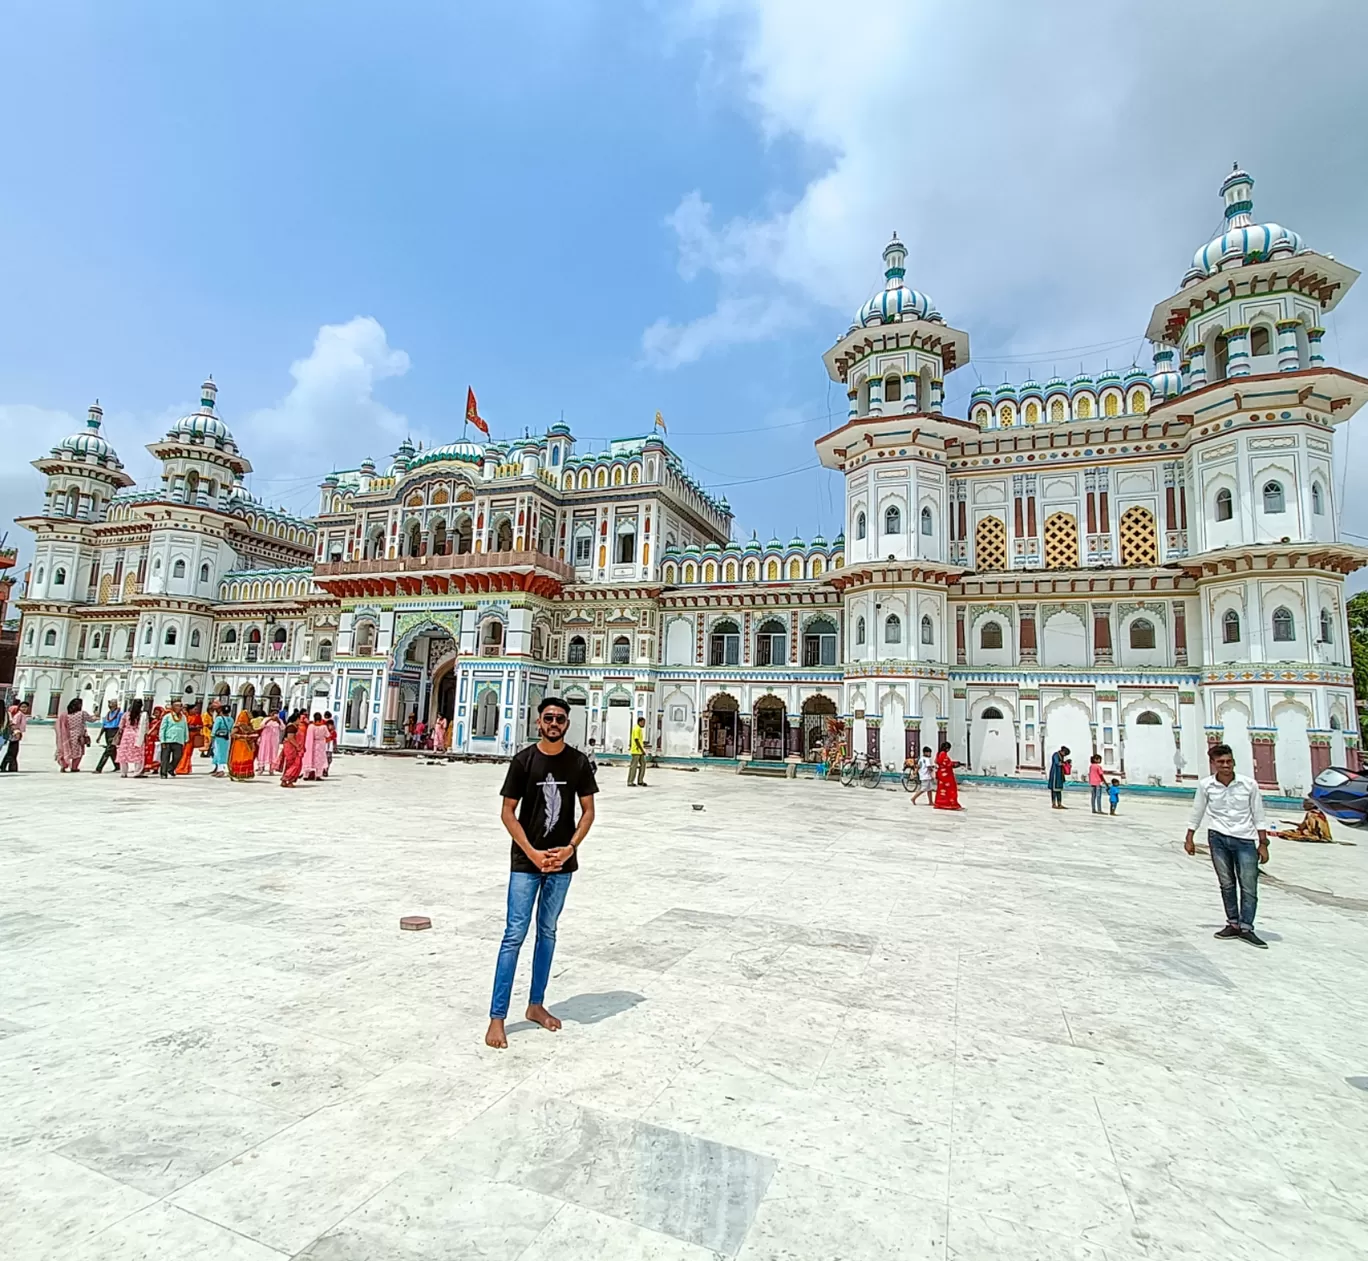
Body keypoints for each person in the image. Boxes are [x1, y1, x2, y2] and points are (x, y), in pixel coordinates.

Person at [486, 696, 598, 1050]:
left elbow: (589, 811)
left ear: (567, 724)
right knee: (514, 935)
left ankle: (536, 1005)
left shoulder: (578, 762)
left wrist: (570, 848)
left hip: (561, 863)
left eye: (560, 719)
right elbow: (507, 812)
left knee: (547, 932)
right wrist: (532, 853)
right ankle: (497, 1017)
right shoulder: (523, 761)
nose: (554, 723)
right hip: (526, 862)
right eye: (548, 718)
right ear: (538, 723)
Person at [1185, 742, 1270, 949]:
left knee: (1249, 885)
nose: (1226, 765)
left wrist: (1263, 842)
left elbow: (1258, 814)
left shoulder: (1248, 785)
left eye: (1229, 761)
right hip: (1218, 838)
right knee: (1227, 883)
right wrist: (1189, 837)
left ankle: (1247, 926)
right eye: (1221, 762)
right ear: (1213, 764)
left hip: (1245, 838)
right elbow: (1198, 810)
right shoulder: (1206, 785)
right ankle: (1232, 923)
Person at [55, 698, 90, 772]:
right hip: (78, 736)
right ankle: (74, 767)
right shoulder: (82, 713)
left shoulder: (65, 715)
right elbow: (91, 719)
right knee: (78, 752)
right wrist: (96, 716)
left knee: (65, 750)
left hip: (67, 736)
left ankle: (63, 766)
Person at [116, 698, 148, 778]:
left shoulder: (126, 714)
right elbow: (146, 727)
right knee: (138, 755)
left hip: (126, 736)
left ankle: (123, 772)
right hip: (137, 736)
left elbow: (120, 726)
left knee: (124, 754)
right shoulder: (142, 715)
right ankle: (137, 772)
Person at [159, 699, 189, 778]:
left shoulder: (183, 717)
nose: (179, 707)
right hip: (168, 740)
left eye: (180, 706)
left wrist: (186, 739)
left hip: (179, 740)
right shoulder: (167, 717)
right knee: (165, 757)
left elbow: (185, 728)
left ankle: (170, 768)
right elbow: (162, 729)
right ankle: (163, 773)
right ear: (172, 707)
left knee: (178, 756)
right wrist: (162, 740)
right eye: (177, 705)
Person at [933, 740, 965, 811]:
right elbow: (948, 764)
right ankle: (951, 804)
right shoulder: (943, 754)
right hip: (946, 775)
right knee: (951, 789)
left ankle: (940, 803)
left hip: (941, 774)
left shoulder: (938, 754)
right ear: (947, 748)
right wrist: (957, 764)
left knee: (942, 789)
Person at [93, 699, 124, 773]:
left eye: (111, 704)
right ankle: (117, 766)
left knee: (108, 750)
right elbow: (104, 725)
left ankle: (99, 768)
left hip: (114, 731)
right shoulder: (108, 714)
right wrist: (99, 736)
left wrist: (119, 734)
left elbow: (121, 725)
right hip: (108, 732)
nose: (110, 706)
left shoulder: (120, 713)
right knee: (112, 750)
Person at [1, 699, 30, 772]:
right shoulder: (19, 715)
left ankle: (5, 765)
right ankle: (10, 767)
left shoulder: (23, 715)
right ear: (19, 707)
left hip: (17, 734)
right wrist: (16, 731)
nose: (24, 708)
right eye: (22, 707)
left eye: (26, 707)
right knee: (13, 751)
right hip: (14, 735)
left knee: (12, 751)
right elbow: (13, 724)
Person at [228, 711, 258, 781]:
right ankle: (237, 774)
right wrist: (243, 736)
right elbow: (232, 734)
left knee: (246, 759)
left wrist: (253, 736)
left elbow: (254, 733)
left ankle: (244, 774)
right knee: (240, 759)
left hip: (248, 746)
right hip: (240, 745)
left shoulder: (249, 726)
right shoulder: (238, 726)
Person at [279, 721, 305, 787]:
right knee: (295, 764)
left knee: (289, 765)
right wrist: (297, 746)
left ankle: (284, 781)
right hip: (292, 749)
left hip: (292, 748)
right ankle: (289, 781)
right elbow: (290, 737)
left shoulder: (294, 726)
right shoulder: (291, 727)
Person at [208, 705, 232, 776]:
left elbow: (215, 728)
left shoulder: (219, 718)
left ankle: (220, 770)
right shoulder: (231, 719)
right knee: (223, 753)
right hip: (226, 737)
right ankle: (219, 769)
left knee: (217, 752)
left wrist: (212, 737)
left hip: (218, 738)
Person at [627, 716, 650, 787]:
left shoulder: (639, 729)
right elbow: (636, 740)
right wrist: (642, 750)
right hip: (636, 750)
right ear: (640, 722)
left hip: (639, 751)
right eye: (643, 722)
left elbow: (639, 740)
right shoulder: (637, 728)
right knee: (633, 766)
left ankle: (640, 780)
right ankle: (630, 781)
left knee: (643, 764)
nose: (644, 724)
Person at [144, 705, 163, 772]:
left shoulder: (162, 721)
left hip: (157, 739)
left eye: (157, 712)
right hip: (150, 739)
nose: (156, 714)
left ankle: (155, 767)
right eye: (155, 712)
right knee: (148, 753)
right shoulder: (153, 721)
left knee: (156, 754)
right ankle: (147, 766)